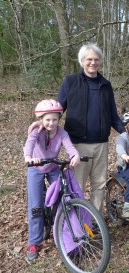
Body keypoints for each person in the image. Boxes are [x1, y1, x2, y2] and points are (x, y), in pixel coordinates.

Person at [29, 43, 125, 213]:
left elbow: (113, 115)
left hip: (102, 144)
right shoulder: (70, 82)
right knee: (77, 186)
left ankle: (95, 222)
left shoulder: (106, 85)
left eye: (96, 59)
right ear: (82, 61)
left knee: (99, 185)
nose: (93, 62)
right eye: (89, 59)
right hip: (78, 145)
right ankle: (78, 223)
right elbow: (58, 109)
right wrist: (41, 123)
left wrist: (127, 134)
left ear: (100, 62)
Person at [24, 99, 80, 262]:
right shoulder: (37, 130)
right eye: (47, 119)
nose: (51, 123)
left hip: (53, 167)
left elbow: (69, 146)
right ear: (41, 120)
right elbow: (30, 144)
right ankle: (34, 242)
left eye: (54, 119)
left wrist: (74, 155)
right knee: (35, 206)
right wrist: (28, 157)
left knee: (63, 198)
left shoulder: (62, 132)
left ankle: (63, 232)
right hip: (36, 168)